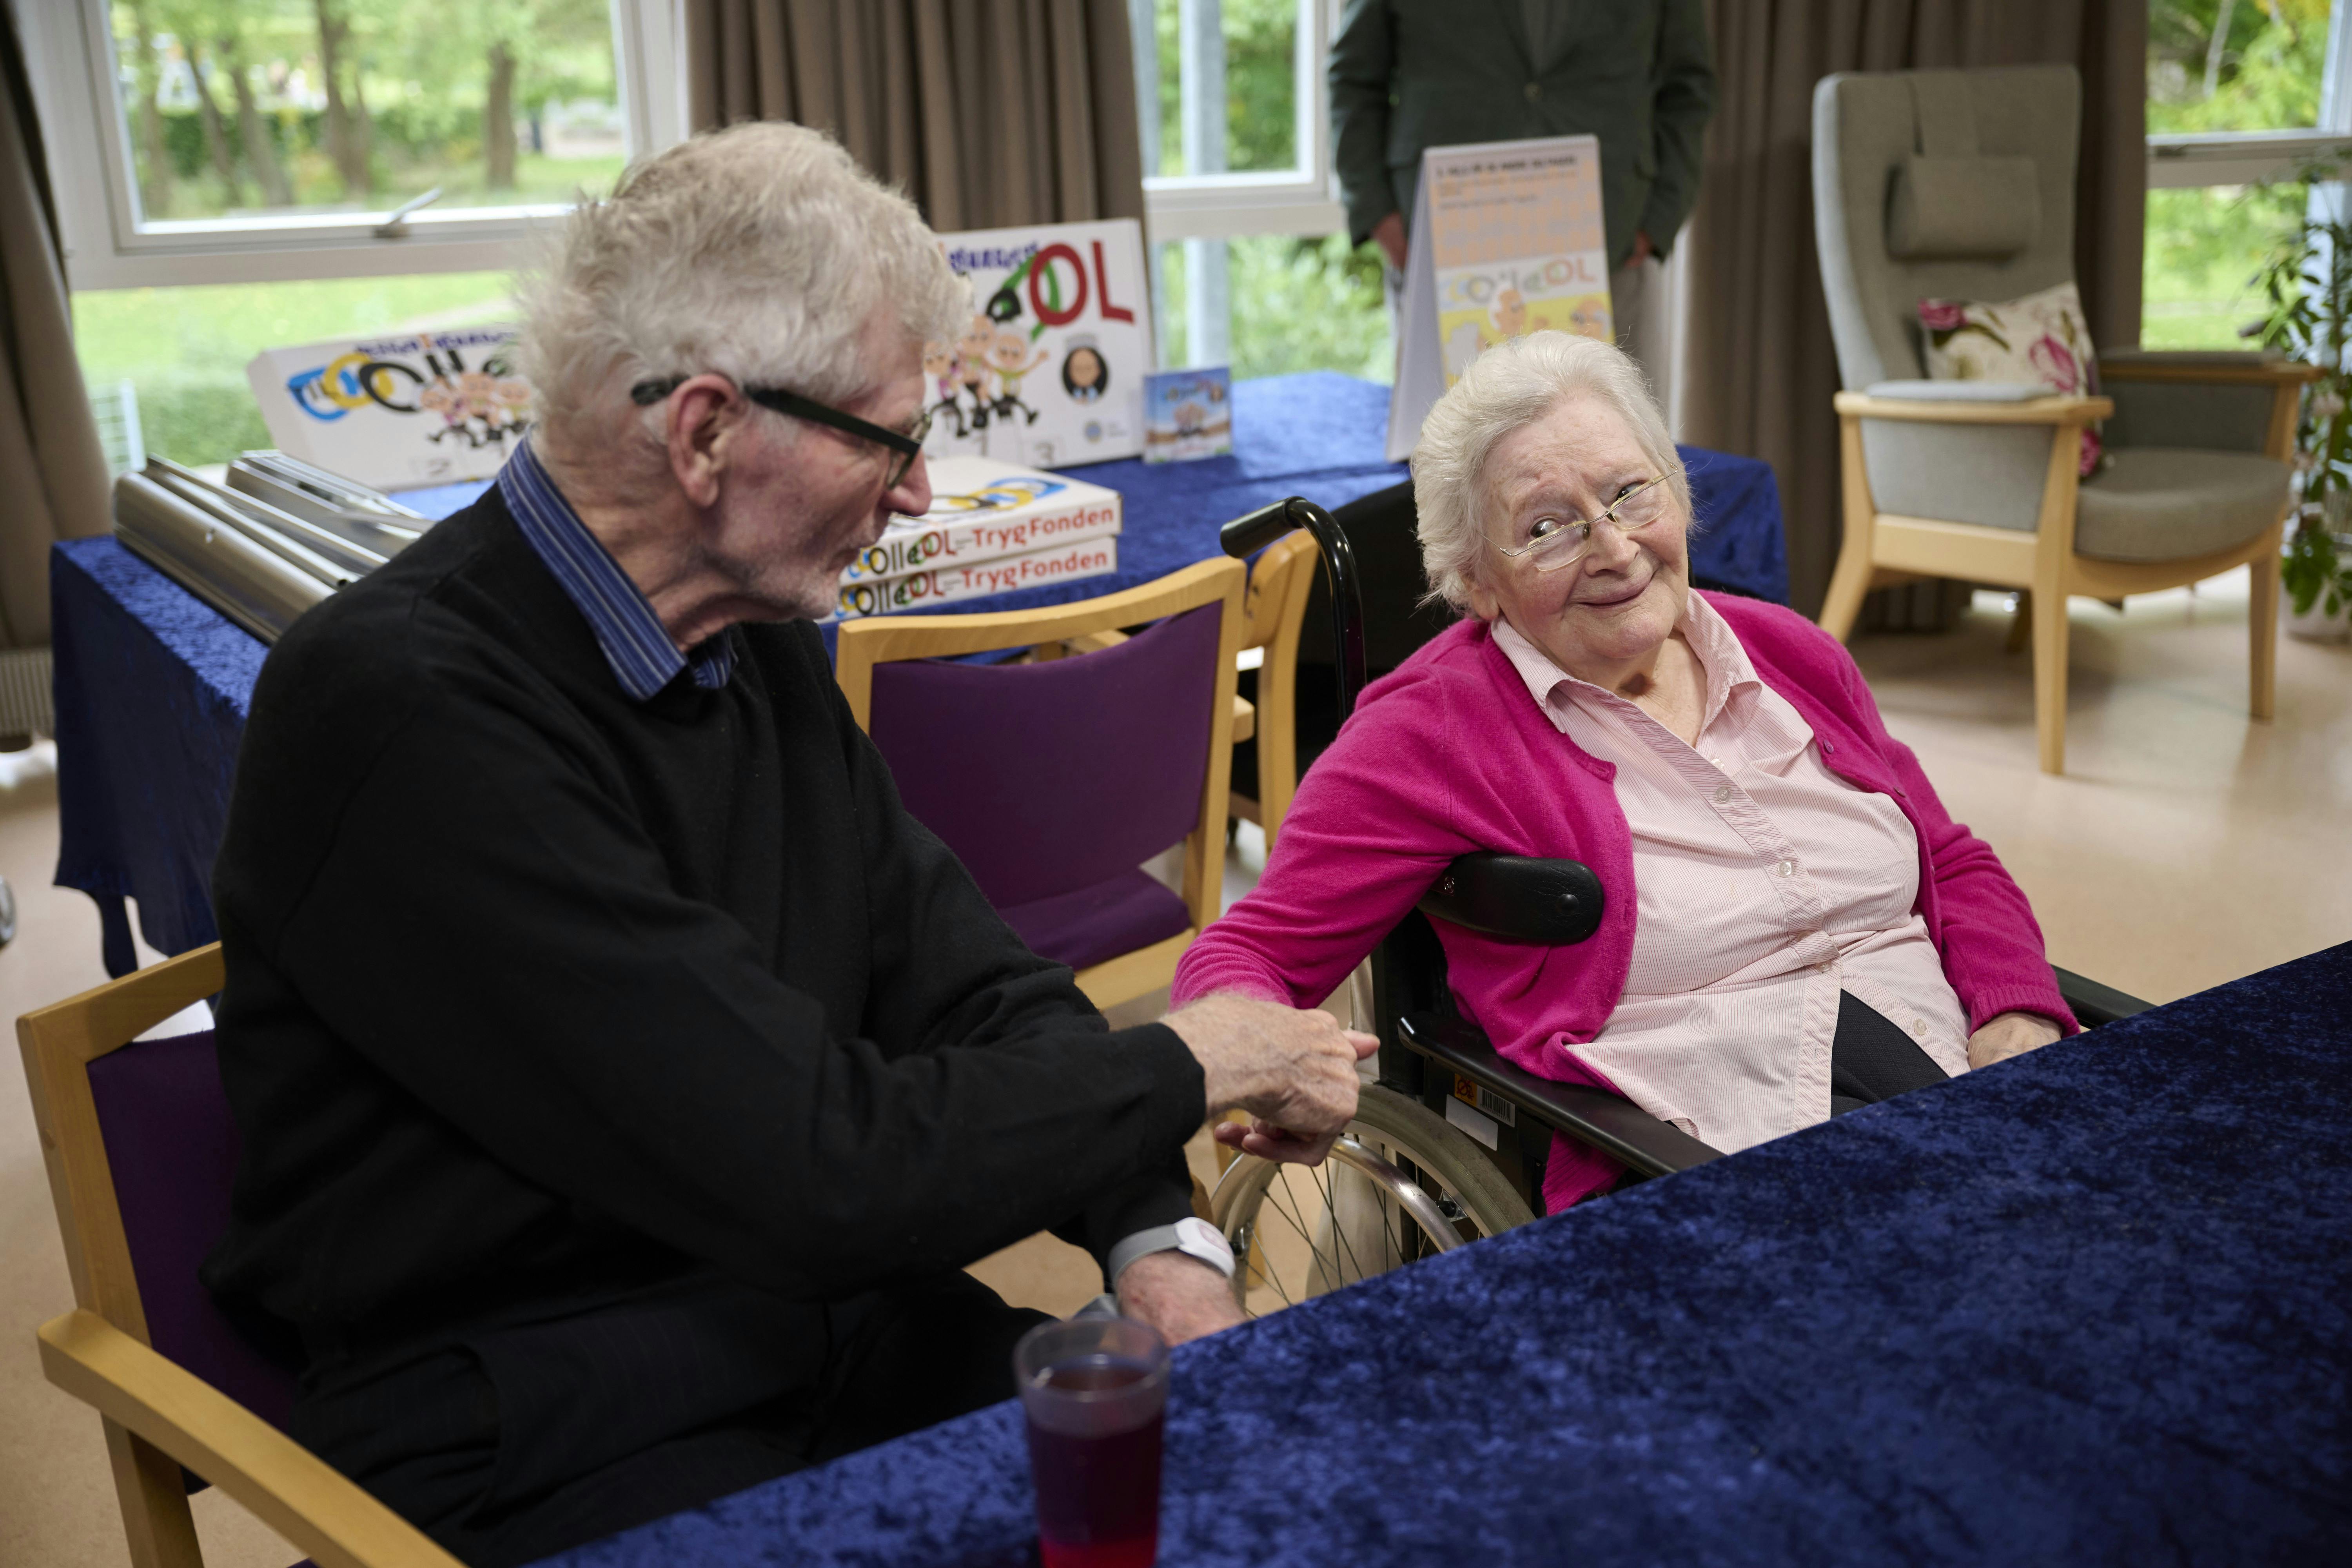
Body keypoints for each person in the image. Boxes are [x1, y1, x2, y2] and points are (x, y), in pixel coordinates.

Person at [202, 123, 1371, 1568]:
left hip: (821, 1328)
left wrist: (1159, 1246)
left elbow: (973, 988)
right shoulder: (401, 711)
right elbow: (819, 1169)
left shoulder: (750, 647)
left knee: (1269, 1499)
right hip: (539, 1421)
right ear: (703, 432)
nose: (921, 494)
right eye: (892, 439)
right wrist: (1198, 1059)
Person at [1177, 332, 2074, 1211]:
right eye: (1546, 528)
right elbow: (1249, 948)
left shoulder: (1788, 651)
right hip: (1711, 1147)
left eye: (1628, 493)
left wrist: (2015, 1013)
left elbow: (1949, 861)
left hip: (1955, 1065)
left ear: (1677, 494)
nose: (1612, 548)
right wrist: (1267, 1057)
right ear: (1476, 580)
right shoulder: (1431, 730)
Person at [1329, 0, 1715, 382]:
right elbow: (1354, 78)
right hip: (1442, 240)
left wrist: (1661, 214)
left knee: (1602, 430)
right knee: (1439, 435)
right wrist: (1376, 210)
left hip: (1605, 236)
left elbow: (1688, 85)